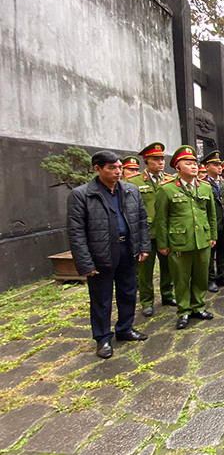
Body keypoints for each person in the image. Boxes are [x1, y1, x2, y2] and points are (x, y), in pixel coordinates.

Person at [67, 150, 150, 359]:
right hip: (101, 253)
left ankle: (125, 328)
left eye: (120, 167)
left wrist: (143, 246)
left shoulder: (131, 190)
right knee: (101, 298)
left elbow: (141, 220)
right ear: (98, 169)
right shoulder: (82, 194)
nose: (118, 171)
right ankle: (102, 338)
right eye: (112, 167)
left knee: (128, 291)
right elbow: (76, 232)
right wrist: (85, 263)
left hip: (128, 249)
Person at [155, 145, 216, 329]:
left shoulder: (204, 187)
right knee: (181, 279)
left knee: (201, 276)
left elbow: (211, 214)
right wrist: (162, 243)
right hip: (179, 241)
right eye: (188, 163)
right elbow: (161, 219)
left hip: (202, 239)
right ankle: (184, 311)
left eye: (195, 163)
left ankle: (199, 306)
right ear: (178, 167)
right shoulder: (166, 189)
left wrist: (212, 235)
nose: (194, 166)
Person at [126, 142, 176, 317]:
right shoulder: (133, 182)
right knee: (145, 271)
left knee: (168, 266)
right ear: (146, 161)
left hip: (166, 231)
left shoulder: (170, 180)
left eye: (162, 159)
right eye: (156, 159)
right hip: (145, 232)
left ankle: (167, 294)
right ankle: (147, 301)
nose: (161, 162)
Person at [202, 150, 224, 293]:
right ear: (207, 167)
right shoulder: (202, 184)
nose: (219, 167)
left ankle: (222, 276)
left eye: (220, 165)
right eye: (215, 165)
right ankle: (210, 279)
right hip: (211, 224)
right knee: (210, 255)